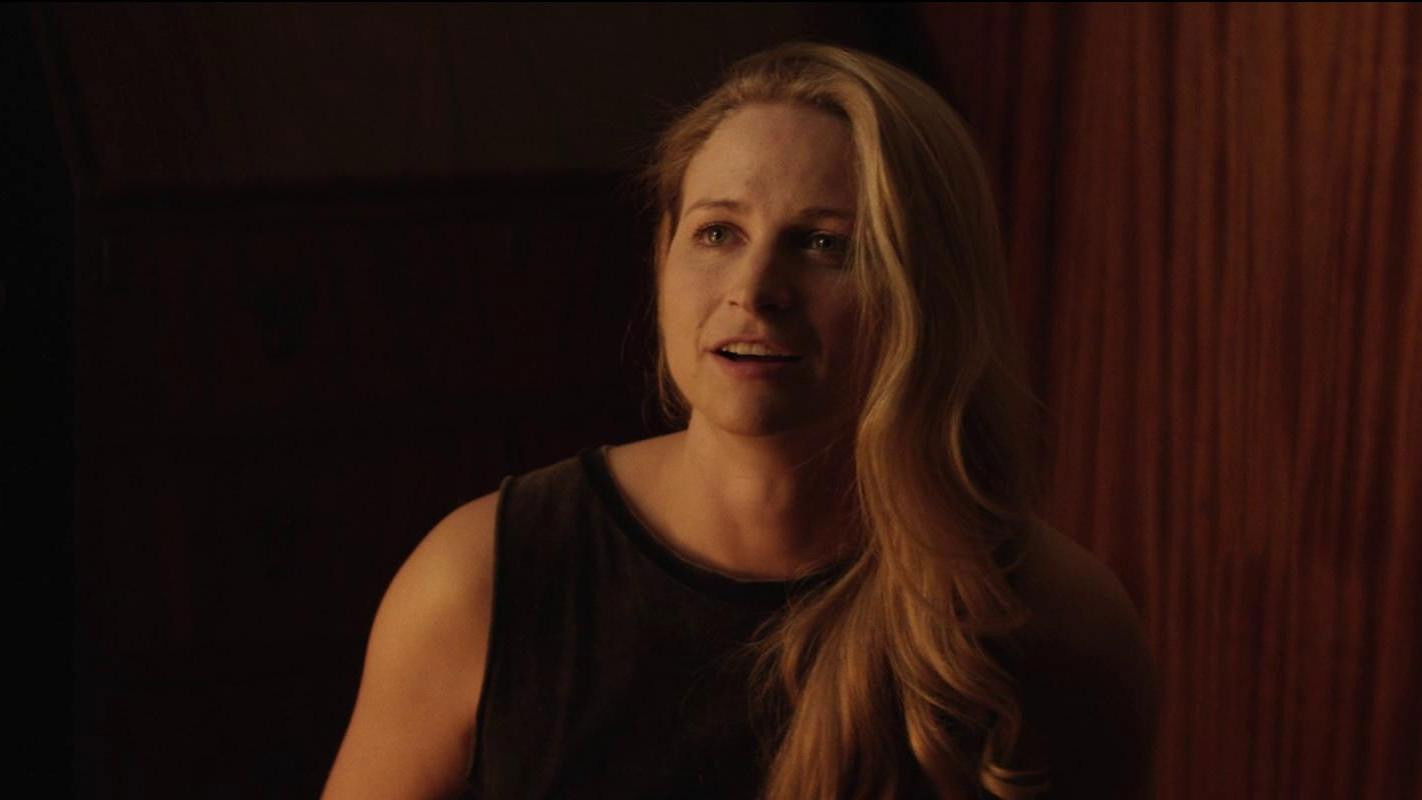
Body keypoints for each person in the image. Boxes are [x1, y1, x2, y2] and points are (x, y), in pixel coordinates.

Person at [321, 42, 1157, 800]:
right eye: (718, 232)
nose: (753, 290)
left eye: (825, 244)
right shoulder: (484, 580)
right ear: (663, 257)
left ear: (928, 289)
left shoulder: (1054, 618)